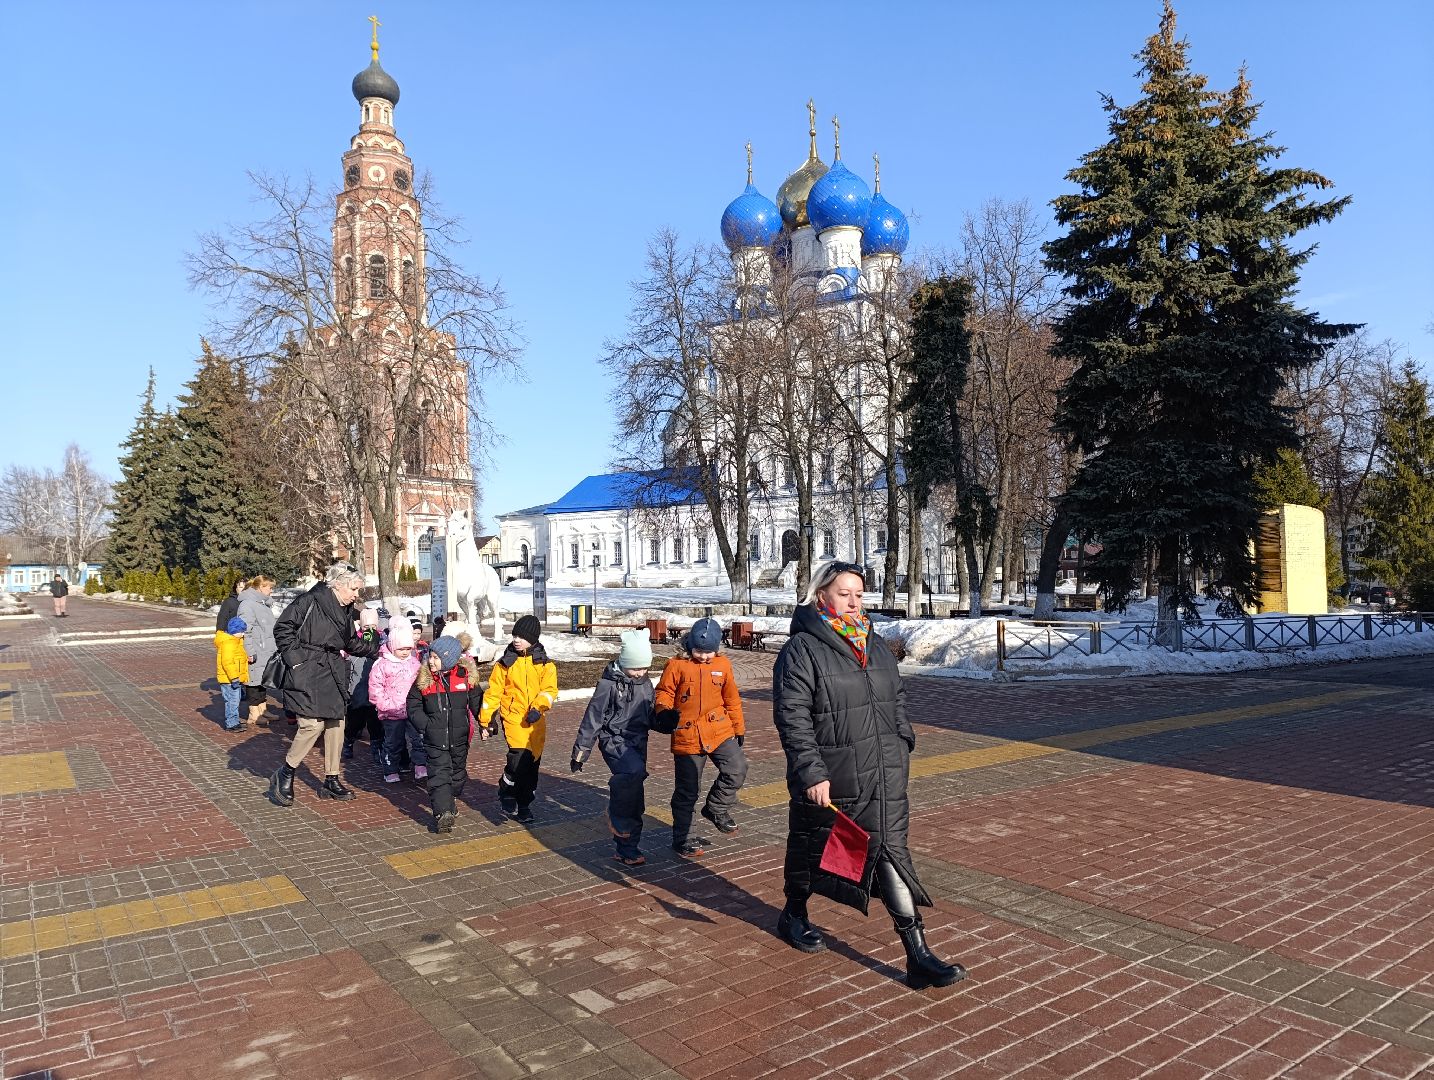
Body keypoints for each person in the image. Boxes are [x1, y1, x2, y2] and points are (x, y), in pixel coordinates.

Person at [771, 560, 965, 989]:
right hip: (832, 773)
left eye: (859, 594)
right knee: (812, 845)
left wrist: (903, 739)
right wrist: (811, 772)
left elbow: (896, 696)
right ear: (821, 595)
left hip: (885, 769)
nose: (855, 602)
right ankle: (794, 912)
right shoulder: (801, 650)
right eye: (845, 594)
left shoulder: (874, 644)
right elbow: (792, 717)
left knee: (890, 850)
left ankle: (917, 954)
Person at [267, 564, 382, 806]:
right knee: (311, 725)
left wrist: (374, 648)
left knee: (336, 724)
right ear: (338, 584)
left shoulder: (346, 607)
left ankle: (331, 779)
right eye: (354, 589)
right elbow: (282, 629)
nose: (356, 595)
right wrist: (296, 661)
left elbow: (349, 641)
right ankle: (286, 772)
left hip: (332, 669)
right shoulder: (309, 601)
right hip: (307, 669)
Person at [654, 617, 748, 859]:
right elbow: (664, 692)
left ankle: (716, 808)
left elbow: (732, 699)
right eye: (699, 651)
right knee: (687, 790)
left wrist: (738, 728)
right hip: (687, 733)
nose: (704, 656)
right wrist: (663, 712)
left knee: (737, 767)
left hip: (719, 729)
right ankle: (683, 838)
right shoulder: (677, 665)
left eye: (709, 652)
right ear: (689, 646)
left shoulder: (723, 665)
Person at [572, 630, 656, 867]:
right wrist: (581, 752)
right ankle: (615, 814)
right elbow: (593, 718)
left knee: (635, 795)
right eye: (635, 668)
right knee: (631, 774)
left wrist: (666, 720)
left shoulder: (646, 684)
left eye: (644, 668)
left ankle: (627, 849)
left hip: (638, 742)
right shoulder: (608, 685)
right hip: (614, 740)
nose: (640, 673)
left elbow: (651, 715)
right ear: (624, 662)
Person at [479, 614, 556, 823]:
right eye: (515, 635)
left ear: (533, 639)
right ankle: (506, 791)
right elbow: (493, 693)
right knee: (517, 761)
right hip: (513, 719)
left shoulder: (545, 665)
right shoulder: (505, 663)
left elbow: (549, 690)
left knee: (531, 768)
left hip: (536, 722)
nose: (516, 639)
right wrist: (485, 720)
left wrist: (539, 707)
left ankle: (524, 806)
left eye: (521, 636)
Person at [407, 636, 485, 833]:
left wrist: (486, 724)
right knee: (439, 776)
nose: (430, 661)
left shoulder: (465, 677)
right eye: (429, 656)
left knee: (457, 777)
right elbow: (412, 705)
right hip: (434, 740)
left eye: (435, 657)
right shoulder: (424, 680)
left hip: (460, 739)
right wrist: (425, 725)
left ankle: (450, 799)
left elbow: (477, 703)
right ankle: (443, 813)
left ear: (449, 659)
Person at [369, 618, 423, 783]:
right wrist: (384, 705)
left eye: (408, 648)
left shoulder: (414, 663)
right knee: (393, 742)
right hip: (392, 711)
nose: (405, 652)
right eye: (401, 649)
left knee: (418, 739)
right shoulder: (382, 664)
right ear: (392, 647)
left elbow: (421, 682)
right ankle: (390, 769)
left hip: (412, 710)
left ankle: (421, 766)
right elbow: (375, 688)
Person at [342, 608, 384, 762]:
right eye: (367, 627)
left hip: (374, 691)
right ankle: (348, 742)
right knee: (355, 722)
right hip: (357, 690)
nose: (370, 630)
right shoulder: (355, 644)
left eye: (373, 626)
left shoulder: (381, 643)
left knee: (375, 723)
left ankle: (376, 748)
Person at [237, 575, 278, 726]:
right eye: (270, 587)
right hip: (256, 649)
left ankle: (263, 709)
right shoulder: (247, 605)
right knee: (253, 681)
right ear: (261, 587)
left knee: (262, 680)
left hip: (266, 650)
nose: (271, 591)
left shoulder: (263, 604)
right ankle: (253, 714)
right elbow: (245, 630)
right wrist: (249, 651)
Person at [214, 616, 249, 732]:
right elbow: (227, 662)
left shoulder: (235, 641)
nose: (243, 634)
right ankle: (231, 723)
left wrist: (246, 658)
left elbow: (237, 657)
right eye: (241, 631)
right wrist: (234, 677)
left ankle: (234, 721)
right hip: (229, 679)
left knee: (235, 700)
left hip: (232, 678)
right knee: (232, 701)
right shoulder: (229, 643)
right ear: (234, 631)